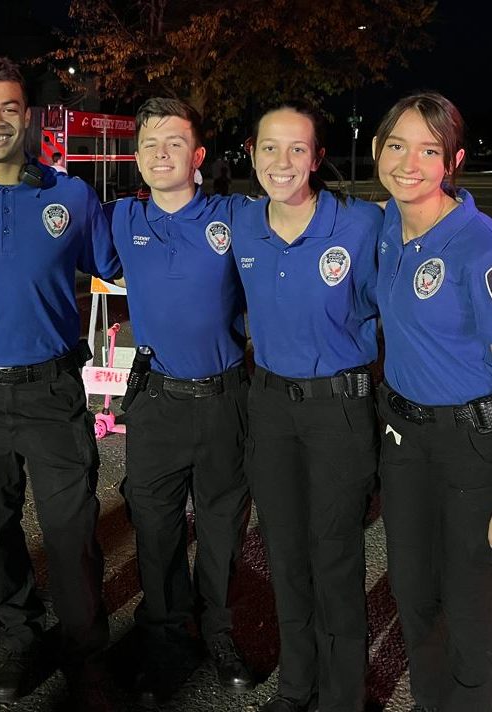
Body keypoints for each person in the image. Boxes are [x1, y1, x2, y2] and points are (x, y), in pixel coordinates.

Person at [0, 57, 119, 711]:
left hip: (53, 392)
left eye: (9, 107)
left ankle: (85, 652)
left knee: (70, 531)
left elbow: (118, 267)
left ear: (30, 115)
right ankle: (23, 634)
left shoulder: (72, 197)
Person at [231, 102, 382, 712]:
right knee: (285, 555)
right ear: (252, 153)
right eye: (270, 147)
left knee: (335, 555)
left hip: (339, 412)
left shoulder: (360, 226)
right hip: (269, 407)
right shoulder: (240, 225)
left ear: (318, 157)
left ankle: (344, 697)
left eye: (297, 148)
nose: (282, 162)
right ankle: (298, 687)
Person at [108, 97, 253, 705]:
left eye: (174, 143)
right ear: (137, 159)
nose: (160, 153)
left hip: (225, 399)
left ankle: (217, 630)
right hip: (157, 401)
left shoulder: (236, 215)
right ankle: (165, 638)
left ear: (198, 156)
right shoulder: (118, 219)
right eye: (149, 144)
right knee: (157, 527)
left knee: (221, 524)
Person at [373, 92, 492, 712]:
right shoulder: (387, 227)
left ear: (454, 161)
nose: (409, 162)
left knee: (470, 597)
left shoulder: (480, 245)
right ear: (378, 149)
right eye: (397, 144)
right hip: (402, 436)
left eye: (429, 149)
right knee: (413, 587)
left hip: (470, 444)